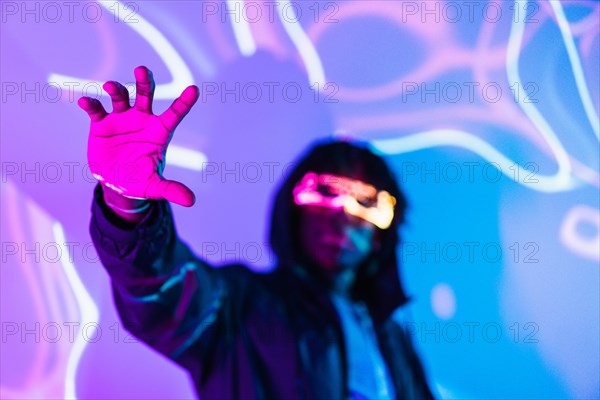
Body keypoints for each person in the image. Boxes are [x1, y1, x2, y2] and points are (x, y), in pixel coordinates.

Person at [81, 66, 435, 399]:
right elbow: (161, 288)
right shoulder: (243, 307)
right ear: (294, 212)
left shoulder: (389, 335)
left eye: (366, 203)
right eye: (326, 193)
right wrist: (126, 202)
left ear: (380, 237)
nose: (342, 216)